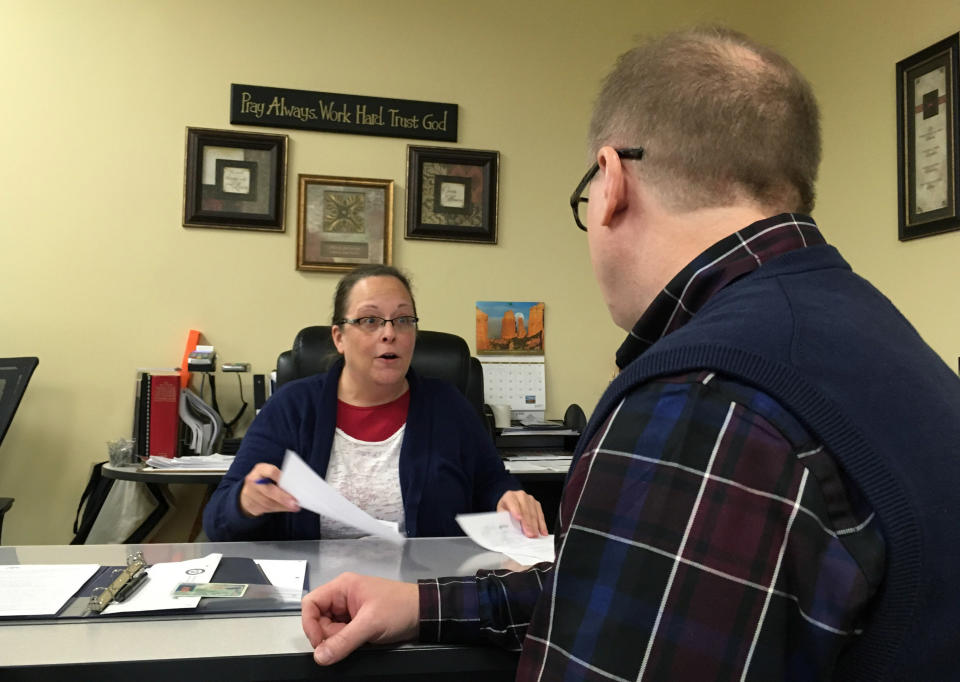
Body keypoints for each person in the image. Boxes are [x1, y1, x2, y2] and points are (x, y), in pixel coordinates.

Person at [299, 26, 960, 680]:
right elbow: (634, 583)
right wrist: (423, 604)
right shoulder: (871, 335)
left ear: (610, 181)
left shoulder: (699, 400)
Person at [203, 264, 547, 542]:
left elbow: (492, 483)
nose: (389, 333)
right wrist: (245, 502)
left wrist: (510, 500)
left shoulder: (448, 406)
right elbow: (218, 520)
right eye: (370, 320)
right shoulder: (292, 407)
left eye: (403, 320)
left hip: (421, 596)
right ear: (339, 337)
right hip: (314, 596)